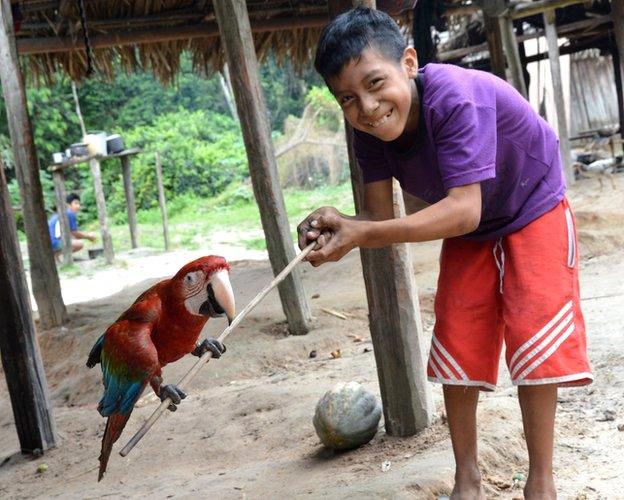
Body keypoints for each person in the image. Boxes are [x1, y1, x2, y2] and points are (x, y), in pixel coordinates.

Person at [297, 8, 592, 500]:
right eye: (348, 99)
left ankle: (540, 483)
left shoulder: (457, 97)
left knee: (534, 335)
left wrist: (361, 235)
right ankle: (466, 480)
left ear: (408, 62)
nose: (367, 107)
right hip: (472, 218)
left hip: (531, 201)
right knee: (458, 336)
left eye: (375, 84)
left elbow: (462, 212)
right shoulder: (367, 132)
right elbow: (374, 217)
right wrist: (339, 227)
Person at [48, 192, 96, 260]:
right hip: (54, 242)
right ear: (68, 205)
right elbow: (75, 233)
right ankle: (57, 255)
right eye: (75, 203)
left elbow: (71, 234)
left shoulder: (59, 214)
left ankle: (56, 257)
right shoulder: (70, 213)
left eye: (79, 204)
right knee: (80, 244)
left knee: (72, 240)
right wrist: (89, 237)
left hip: (48, 242)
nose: (78, 206)